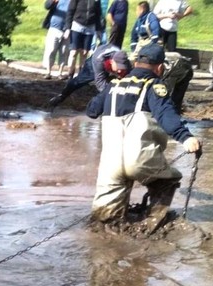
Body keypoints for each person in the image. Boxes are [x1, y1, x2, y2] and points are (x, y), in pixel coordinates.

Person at [86, 43, 201, 235]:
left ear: (136, 62)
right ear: (160, 68)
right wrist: (186, 137)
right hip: (140, 158)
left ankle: (103, 251)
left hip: (110, 164)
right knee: (169, 179)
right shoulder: (154, 86)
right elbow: (166, 114)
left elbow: (91, 111)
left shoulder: (113, 85)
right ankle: (150, 227)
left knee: (104, 222)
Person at [47, 43, 131, 108]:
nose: (120, 70)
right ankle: (62, 96)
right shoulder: (99, 60)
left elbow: (131, 79)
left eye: (122, 68)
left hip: (109, 60)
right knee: (79, 81)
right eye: (119, 67)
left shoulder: (124, 62)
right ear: (112, 62)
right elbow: (100, 85)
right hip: (94, 63)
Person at [63, 0, 104, 79]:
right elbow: (70, 11)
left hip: (90, 27)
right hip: (77, 25)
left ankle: (81, 75)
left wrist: (98, 30)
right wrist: (67, 27)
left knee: (84, 53)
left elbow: (98, 14)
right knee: (74, 52)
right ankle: (70, 74)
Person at [42, 0, 71, 80]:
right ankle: (48, 72)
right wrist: (53, 1)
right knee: (51, 50)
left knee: (64, 52)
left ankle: (60, 73)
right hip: (54, 27)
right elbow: (47, 6)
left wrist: (68, 28)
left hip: (67, 30)